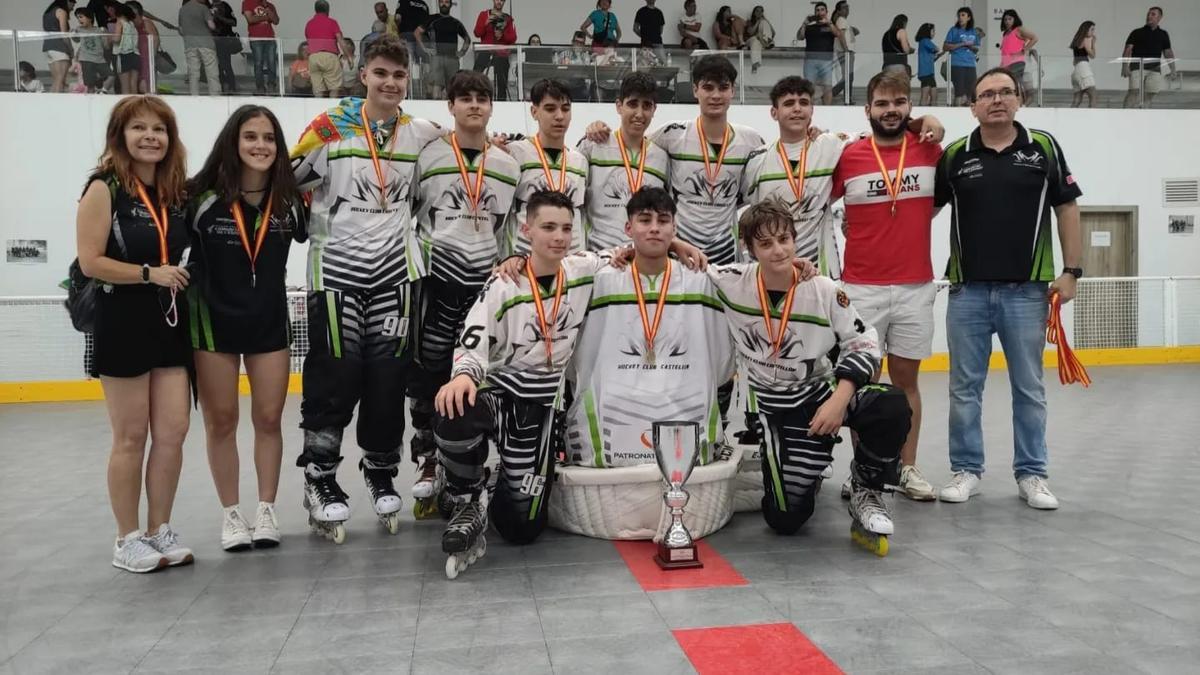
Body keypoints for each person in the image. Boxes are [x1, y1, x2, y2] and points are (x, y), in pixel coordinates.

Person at [289, 34, 446, 542]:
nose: (391, 83)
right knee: (336, 373)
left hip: (396, 275)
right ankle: (320, 477)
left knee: (387, 377)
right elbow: (285, 177)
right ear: (363, 75)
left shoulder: (420, 133)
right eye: (381, 73)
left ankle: (380, 469)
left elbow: (469, 143)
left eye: (399, 76)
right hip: (335, 272)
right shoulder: (329, 126)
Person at [433, 192, 622, 573]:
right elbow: (473, 336)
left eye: (567, 228)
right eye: (548, 227)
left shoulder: (584, 268)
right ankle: (463, 492)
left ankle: (494, 490)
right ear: (527, 230)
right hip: (500, 394)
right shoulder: (505, 283)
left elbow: (629, 249)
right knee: (455, 408)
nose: (559, 236)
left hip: (541, 406)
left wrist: (680, 243)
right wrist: (464, 376)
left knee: (522, 528)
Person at [707, 198, 908, 542]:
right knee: (784, 520)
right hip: (773, 411)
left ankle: (866, 488)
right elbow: (674, 260)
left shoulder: (824, 288)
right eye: (766, 243)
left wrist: (840, 400)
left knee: (891, 404)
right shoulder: (730, 281)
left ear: (795, 239)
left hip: (821, 396)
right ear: (749, 247)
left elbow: (863, 343)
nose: (778, 251)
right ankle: (810, 469)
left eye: (784, 240)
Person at [935, 67, 1083, 510]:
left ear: (1019, 99)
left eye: (1005, 92)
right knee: (964, 389)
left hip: (1027, 293)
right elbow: (919, 210)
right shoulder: (955, 155)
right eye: (986, 94)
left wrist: (1072, 270)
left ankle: (1032, 474)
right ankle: (966, 470)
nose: (996, 100)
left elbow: (1068, 208)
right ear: (972, 105)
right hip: (968, 294)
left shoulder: (1044, 148)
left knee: (1029, 388)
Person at [76, 95, 193, 573]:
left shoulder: (174, 192)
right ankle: (126, 539)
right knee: (131, 435)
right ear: (120, 136)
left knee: (173, 432)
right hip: (121, 320)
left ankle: (158, 530)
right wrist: (150, 274)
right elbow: (90, 262)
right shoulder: (103, 188)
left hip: (169, 321)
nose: (150, 137)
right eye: (139, 128)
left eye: (159, 129)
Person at [186, 106, 306, 552]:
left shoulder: (290, 204)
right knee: (221, 420)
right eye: (251, 136)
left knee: (269, 418)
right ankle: (232, 514)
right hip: (213, 322)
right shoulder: (199, 198)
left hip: (268, 322)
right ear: (233, 143)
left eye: (269, 138)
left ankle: (266, 509)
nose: (260, 145)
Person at [408, 70, 520, 516]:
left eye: (482, 98)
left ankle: (471, 466)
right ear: (450, 106)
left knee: (482, 375)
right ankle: (428, 461)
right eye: (465, 98)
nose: (474, 105)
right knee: (428, 374)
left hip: (484, 287)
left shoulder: (509, 165)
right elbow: (408, 212)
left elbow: (509, 227)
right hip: (437, 281)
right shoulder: (428, 155)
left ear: (491, 107)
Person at [830, 71, 943, 502]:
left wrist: (931, 121)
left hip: (915, 286)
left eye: (899, 102)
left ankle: (907, 468)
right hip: (861, 288)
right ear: (868, 109)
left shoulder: (931, 150)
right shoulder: (850, 155)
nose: (890, 110)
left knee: (906, 383)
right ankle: (865, 472)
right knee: (863, 385)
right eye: (882, 103)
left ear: (909, 107)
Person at [566, 187, 734, 470]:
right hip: (613, 409)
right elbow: (550, 269)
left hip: (682, 402)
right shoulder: (601, 281)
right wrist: (517, 259)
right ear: (628, 228)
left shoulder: (701, 281)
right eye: (645, 220)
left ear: (674, 228)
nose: (654, 228)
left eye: (663, 221)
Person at [586, 55, 762, 266]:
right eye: (708, 87)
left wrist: (811, 135)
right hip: (679, 255)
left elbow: (747, 192)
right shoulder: (672, 135)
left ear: (733, 90)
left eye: (723, 88)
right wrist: (596, 128)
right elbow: (635, 142)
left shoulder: (751, 141)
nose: (715, 95)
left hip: (726, 255)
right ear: (695, 90)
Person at [577, 72, 670, 251]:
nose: (639, 114)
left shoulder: (661, 157)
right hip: (601, 257)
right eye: (632, 104)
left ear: (654, 109)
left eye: (646, 106)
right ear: (619, 106)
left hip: (644, 259)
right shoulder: (593, 145)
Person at [501, 79, 589, 256]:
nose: (559, 116)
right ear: (534, 112)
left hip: (571, 265)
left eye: (565, 109)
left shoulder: (579, 161)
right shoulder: (515, 153)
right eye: (550, 109)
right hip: (526, 262)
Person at [1122, 6, 1176, 109]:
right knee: (1134, 92)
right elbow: (1127, 50)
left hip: (1154, 69)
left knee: (1150, 94)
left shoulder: (1163, 34)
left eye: (1153, 14)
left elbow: (1168, 52)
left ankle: (1144, 116)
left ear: (1159, 17)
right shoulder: (1136, 32)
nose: (1149, 16)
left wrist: (1173, 69)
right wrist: (1125, 66)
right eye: (1148, 14)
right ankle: (1124, 115)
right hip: (1137, 67)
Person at [414, 0, 470, 99]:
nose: (444, 4)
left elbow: (467, 39)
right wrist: (425, 48)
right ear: (439, 4)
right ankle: (435, 112)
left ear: (450, 5)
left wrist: (462, 52)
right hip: (437, 57)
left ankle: (449, 112)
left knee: (452, 88)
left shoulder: (455, 22)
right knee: (437, 86)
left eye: (446, 2)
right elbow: (417, 32)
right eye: (442, 2)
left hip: (452, 59)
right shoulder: (432, 19)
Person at [796, 2, 841, 105]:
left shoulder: (830, 26)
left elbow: (838, 34)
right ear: (815, 12)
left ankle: (827, 110)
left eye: (822, 10)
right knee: (809, 88)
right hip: (810, 61)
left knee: (827, 87)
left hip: (827, 61)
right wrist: (804, 23)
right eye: (817, 10)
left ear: (826, 12)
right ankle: (810, 109)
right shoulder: (810, 27)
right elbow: (800, 36)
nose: (820, 12)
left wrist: (829, 22)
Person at [304, 0, 350, 99]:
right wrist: (349, 57)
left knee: (318, 91)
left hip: (313, 57)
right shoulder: (332, 22)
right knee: (334, 89)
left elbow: (308, 42)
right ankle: (331, 111)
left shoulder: (309, 24)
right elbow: (340, 40)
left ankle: (319, 111)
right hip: (329, 56)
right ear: (327, 10)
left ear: (315, 10)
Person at [472, 0, 517, 101]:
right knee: (475, 76)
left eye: (502, 0)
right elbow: (477, 33)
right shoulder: (484, 14)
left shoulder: (507, 18)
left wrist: (503, 36)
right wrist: (486, 22)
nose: (499, 2)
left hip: (501, 53)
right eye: (497, 0)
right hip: (486, 50)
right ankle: (475, 97)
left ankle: (502, 101)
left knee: (502, 80)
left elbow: (513, 38)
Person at [179, 0, 219, 96]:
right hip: (206, 44)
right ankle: (215, 97)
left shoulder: (182, 9)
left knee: (193, 74)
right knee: (212, 72)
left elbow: (181, 30)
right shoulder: (203, 8)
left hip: (190, 44)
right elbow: (211, 26)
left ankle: (194, 96)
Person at [999, 10, 1037, 105]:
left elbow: (1034, 38)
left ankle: (1018, 105)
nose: (1007, 21)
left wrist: (1024, 49)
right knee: (1009, 86)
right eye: (1005, 19)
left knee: (1014, 84)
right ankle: (1018, 105)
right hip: (1006, 64)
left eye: (1010, 19)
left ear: (1015, 19)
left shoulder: (1019, 30)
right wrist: (1001, 65)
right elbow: (1005, 52)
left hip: (1017, 62)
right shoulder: (1005, 34)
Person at [943, 6, 979, 106]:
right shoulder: (954, 30)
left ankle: (968, 115)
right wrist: (961, 44)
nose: (960, 18)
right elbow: (945, 46)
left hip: (970, 64)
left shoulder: (973, 31)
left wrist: (971, 46)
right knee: (959, 92)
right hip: (957, 63)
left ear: (969, 17)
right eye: (959, 15)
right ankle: (956, 113)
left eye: (963, 15)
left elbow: (976, 49)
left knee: (971, 93)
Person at [242, 0, 279, 95]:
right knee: (258, 63)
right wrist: (266, 17)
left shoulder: (270, 5)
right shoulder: (247, 2)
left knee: (272, 62)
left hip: (270, 38)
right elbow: (250, 19)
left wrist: (267, 8)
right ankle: (260, 87)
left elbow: (276, 21)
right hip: (256, 38)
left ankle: (271, 86)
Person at [73, 7, 111, 93]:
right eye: (78, 17)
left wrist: (106, 36)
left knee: (110, 76)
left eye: (81, 17)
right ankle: (90, 102)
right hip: (86, 60)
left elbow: (106, 46)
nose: (79, 20)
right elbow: (75, 40)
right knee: (90, 85)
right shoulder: (79, 29)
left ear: (90, 17)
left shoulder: (99, 30)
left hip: (99, 60)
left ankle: (102, 91)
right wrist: (73, 33)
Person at [44, 0, 76, 94]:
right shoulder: (61, 12)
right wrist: (71, 49)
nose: (74, 5)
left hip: (48, 47)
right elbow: (64, 34)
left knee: (56, 80)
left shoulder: (48, 13)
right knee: (61, 80)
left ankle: (51, 102)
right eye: (73, 2)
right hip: (60, 48)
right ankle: (57, 104)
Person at [127, 1, 157, 94]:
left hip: (146, 58)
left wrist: (152, 55)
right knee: (134, 84)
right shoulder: (129, 25)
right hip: (135, 57)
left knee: (145, 86)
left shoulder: (146, 23)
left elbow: (155, 39)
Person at [831, 1, 858, 104]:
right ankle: (837, 95)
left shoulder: (843, 21)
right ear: (839, 11)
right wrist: (846, 50)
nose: (847, 9)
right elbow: (841, 35)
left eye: (847, 7)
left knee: (848, 76)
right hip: (845, 52)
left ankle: (845, 97)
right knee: (848, 77)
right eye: (844, 8)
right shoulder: (841, 20)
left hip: (847, 52)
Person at [211, 0, 240, 95]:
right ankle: (221, 86)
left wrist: (220, 17)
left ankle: (231, 86)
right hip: (212, 41)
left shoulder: (225, 6)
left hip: (224, 40)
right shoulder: (208, 7)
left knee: (226, 64)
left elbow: (233, 22)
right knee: (216, 66)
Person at [111, 3, 140, 95]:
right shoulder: (132, 24)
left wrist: (108, 38)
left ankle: (127, 106)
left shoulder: (119, 22)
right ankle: (135, 104)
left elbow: (117, 39)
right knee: (133, 84)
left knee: (125, 86)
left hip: (123, 55)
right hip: (135, 55)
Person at [1070, 21, 1096, 108]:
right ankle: (1092, 117)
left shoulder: (1077, 40)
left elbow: (1074, 61)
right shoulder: (1086, 39)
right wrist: (1093, 43)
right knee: (1093, 95)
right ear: (1086, 29)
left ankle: (1068, 116)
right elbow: (1092, 55)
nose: (1093, 32)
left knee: (1077, 99)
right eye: (1092, 29)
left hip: (1076, 70)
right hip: (1083, 68)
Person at [634, 0, 666, 65]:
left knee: (663, 63)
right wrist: (644, 36)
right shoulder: (641, 11)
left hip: (658, 42)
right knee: (643, 64)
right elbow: (635, 28)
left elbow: (661, 29)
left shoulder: (659, 12)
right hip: (645, 43)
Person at [915, 23, 940, 106]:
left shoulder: (922, 43)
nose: (934, 33)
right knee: (925, 95)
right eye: (933, 31)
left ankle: (930, 111)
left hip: (928, 72)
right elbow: (937, 48)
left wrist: (935, 55)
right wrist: (937, 52)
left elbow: (932, 57)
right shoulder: (925, 40)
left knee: (934, 94)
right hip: (926, 72)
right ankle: (922, 112)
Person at [745, 6, 774, 74]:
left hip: (760, 43)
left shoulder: (764, 21)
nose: (759, 13)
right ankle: (765, 41)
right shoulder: (749, 21)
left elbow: (773, 33)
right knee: (755, 39)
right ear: (754, 13)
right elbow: (750, 32)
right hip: (750, 41)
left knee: (763, 23)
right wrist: (758, 22)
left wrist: (767, 21)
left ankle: (755, 65)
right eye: (757, 11)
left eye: (761, 11)